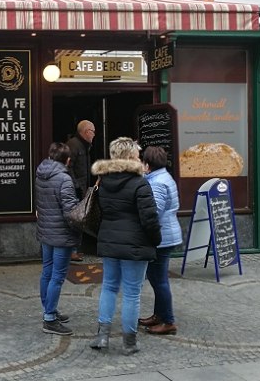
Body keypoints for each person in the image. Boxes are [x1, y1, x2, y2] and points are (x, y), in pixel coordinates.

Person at [88, 137, 161, 355]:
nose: (140, 156)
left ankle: (102, 336)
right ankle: (129, 342)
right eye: (137, 153)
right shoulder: (140, 183)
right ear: (131, 156)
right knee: (131, 293)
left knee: (109, 287)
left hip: (110, 242)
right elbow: (149, 219)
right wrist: (155, 240)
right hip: (135, 245)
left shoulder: (104, 181)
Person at [35, 142, 80, 335]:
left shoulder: (41, 174)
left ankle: (48, 310)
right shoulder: (64, 179)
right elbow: (70, 211)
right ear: (67, 160)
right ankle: (50, 318)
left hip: (46, 231)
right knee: (58, 276)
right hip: (61, 234)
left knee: (47, 271)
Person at [139, 146, 182, 335]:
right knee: (157, 279)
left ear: (148, 164)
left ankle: (168, 320)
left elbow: (154, 213)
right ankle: (159, 315)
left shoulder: (157, 183)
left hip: (162, 237)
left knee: (159, 280)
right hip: (167, 234)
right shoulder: (163, 177)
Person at [66, 119, 96, 262]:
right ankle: (72, 250)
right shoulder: (74, 145)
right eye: (93, 131)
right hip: (76, 190)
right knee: (75, 220)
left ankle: (75, 249)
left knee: (80, 220)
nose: (94, 134)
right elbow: (68, 167)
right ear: (85, 132)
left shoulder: (84, 145)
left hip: (82, 188)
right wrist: (77, 185)